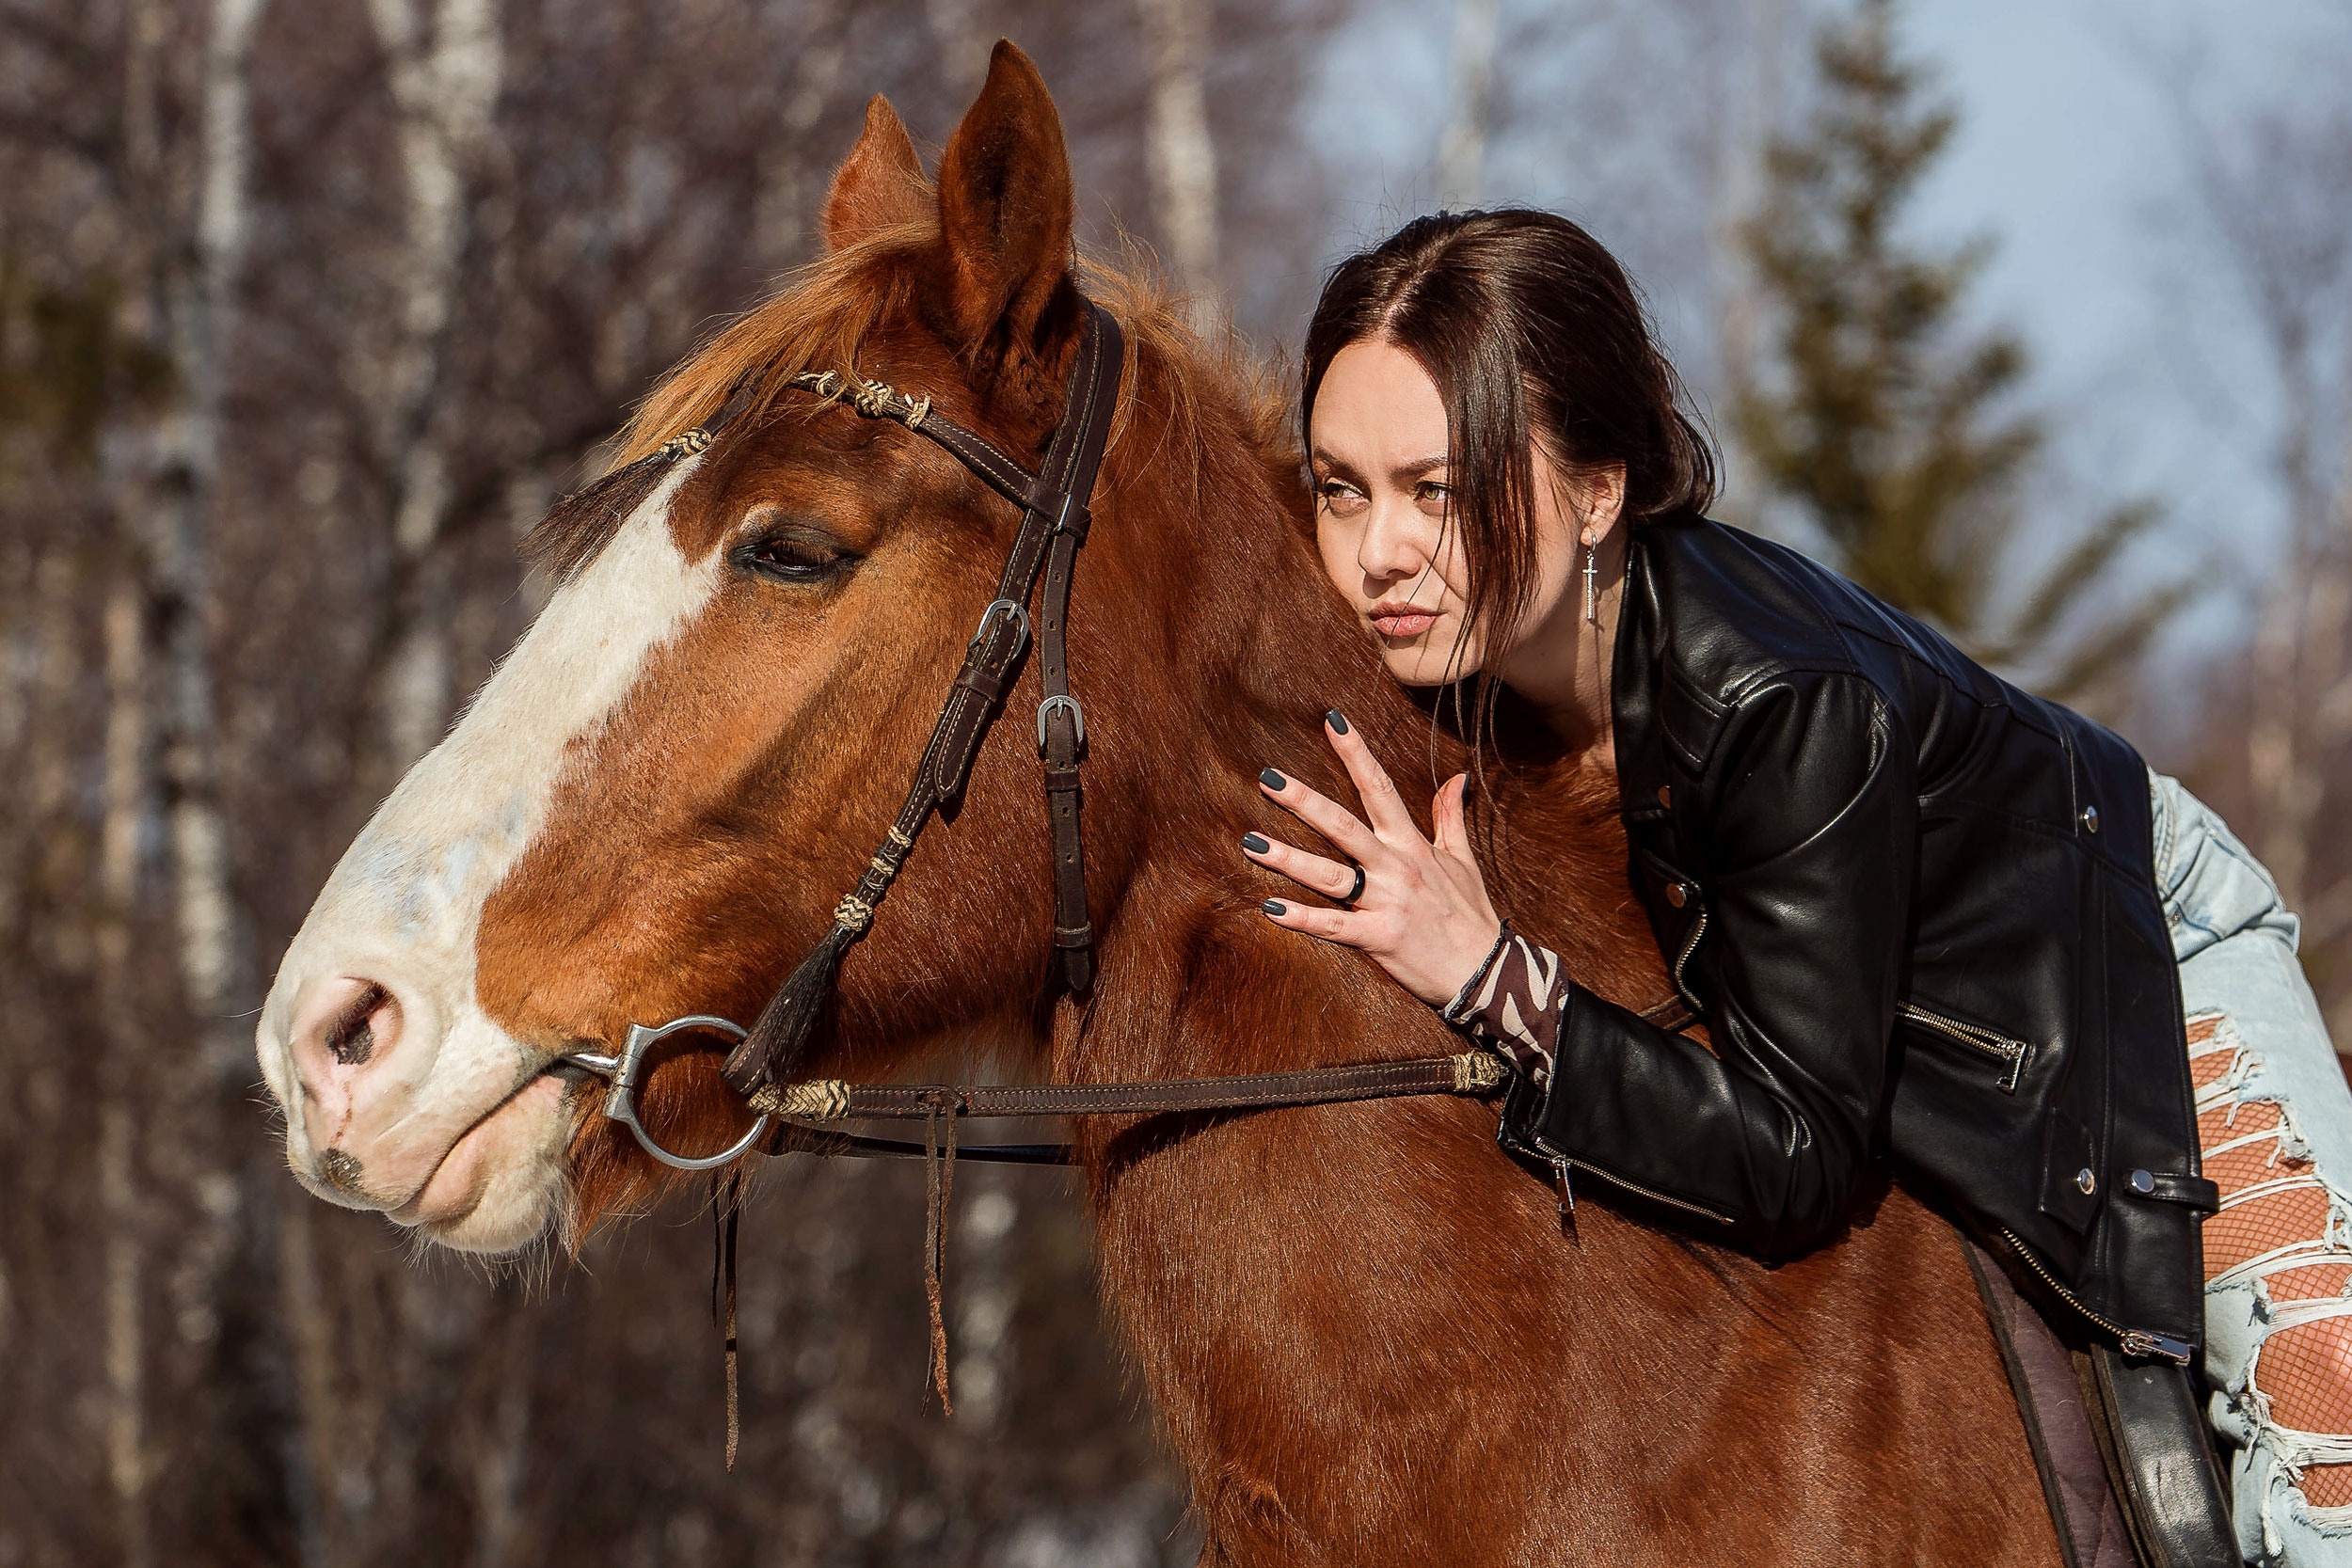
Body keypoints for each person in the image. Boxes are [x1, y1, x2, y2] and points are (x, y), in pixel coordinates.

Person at [1242, 206, 2352, 1566]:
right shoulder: (1442, 664)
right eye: (1342, 487)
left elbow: (1797, 1151)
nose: (1379, 553)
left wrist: (1492, 980)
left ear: (1599, 491)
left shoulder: (1776, 700)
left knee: (2332, 1431)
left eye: (1442, 486)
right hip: (1896, 1009)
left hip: (2120, 947)